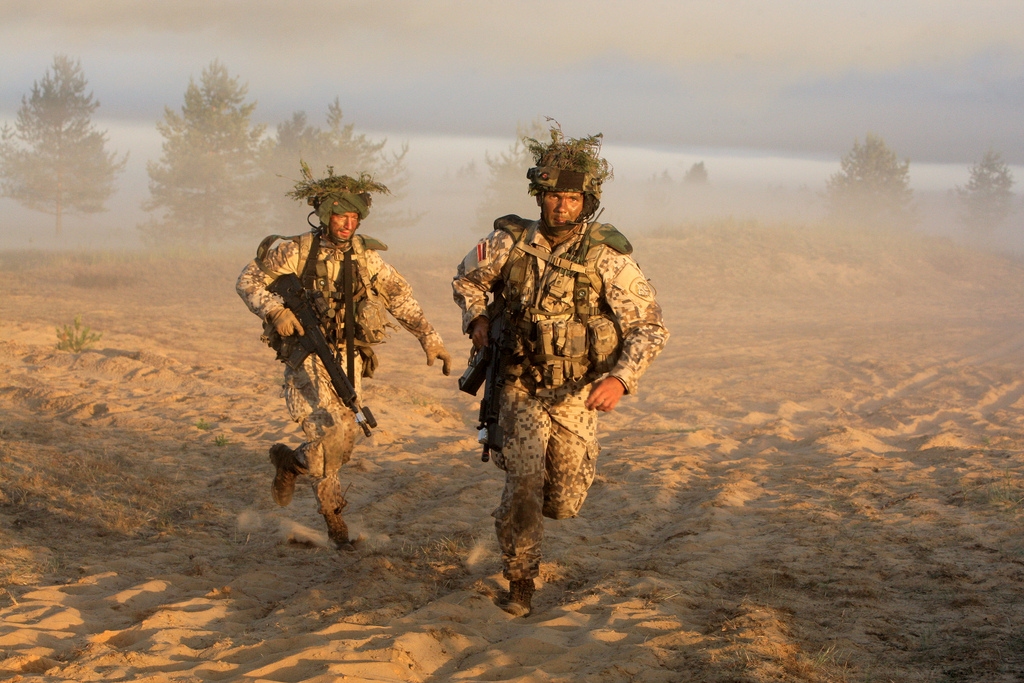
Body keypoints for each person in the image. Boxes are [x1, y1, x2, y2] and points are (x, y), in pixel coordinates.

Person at [452, 127, 669, 615]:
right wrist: (478, 317)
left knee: (563, 501)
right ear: (539, 198)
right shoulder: (508, 242)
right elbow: (465, 281)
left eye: (570, 197)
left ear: (586, 201)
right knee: (524, 483)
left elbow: (651, 327)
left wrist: (619, 379)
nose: (560, 207)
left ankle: (521, 516)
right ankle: (520, 582)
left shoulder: (607, 257)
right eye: (552, 196)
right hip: (519, 383)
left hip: (576, 391)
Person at [238, 169, 451, 551]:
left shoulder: (365, 258)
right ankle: (336, 527)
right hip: (306, 357)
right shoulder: (295, 250)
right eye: (341, 217)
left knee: (342, 442)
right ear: (325, 216)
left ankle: (291, 463)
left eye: (354, 218)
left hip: (347, 358)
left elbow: (399, 297)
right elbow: (248, 280)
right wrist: (275, 311)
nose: (348, 224)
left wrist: (429, 338)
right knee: (332, 432)